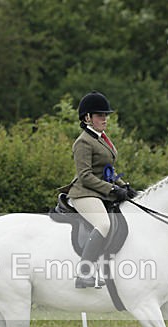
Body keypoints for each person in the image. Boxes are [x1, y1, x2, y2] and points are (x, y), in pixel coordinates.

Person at [59, 91, 137, 288]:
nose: (105, 119)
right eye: (100, 115)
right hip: (84, 193)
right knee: (103, 225)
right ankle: (84, 273)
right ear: (87, 118)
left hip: (99, 191)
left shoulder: (102, 138)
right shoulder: (83, 142)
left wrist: (124, 187)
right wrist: (112, 190)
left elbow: (108, 170)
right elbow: (85, 175)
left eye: (105, 115)